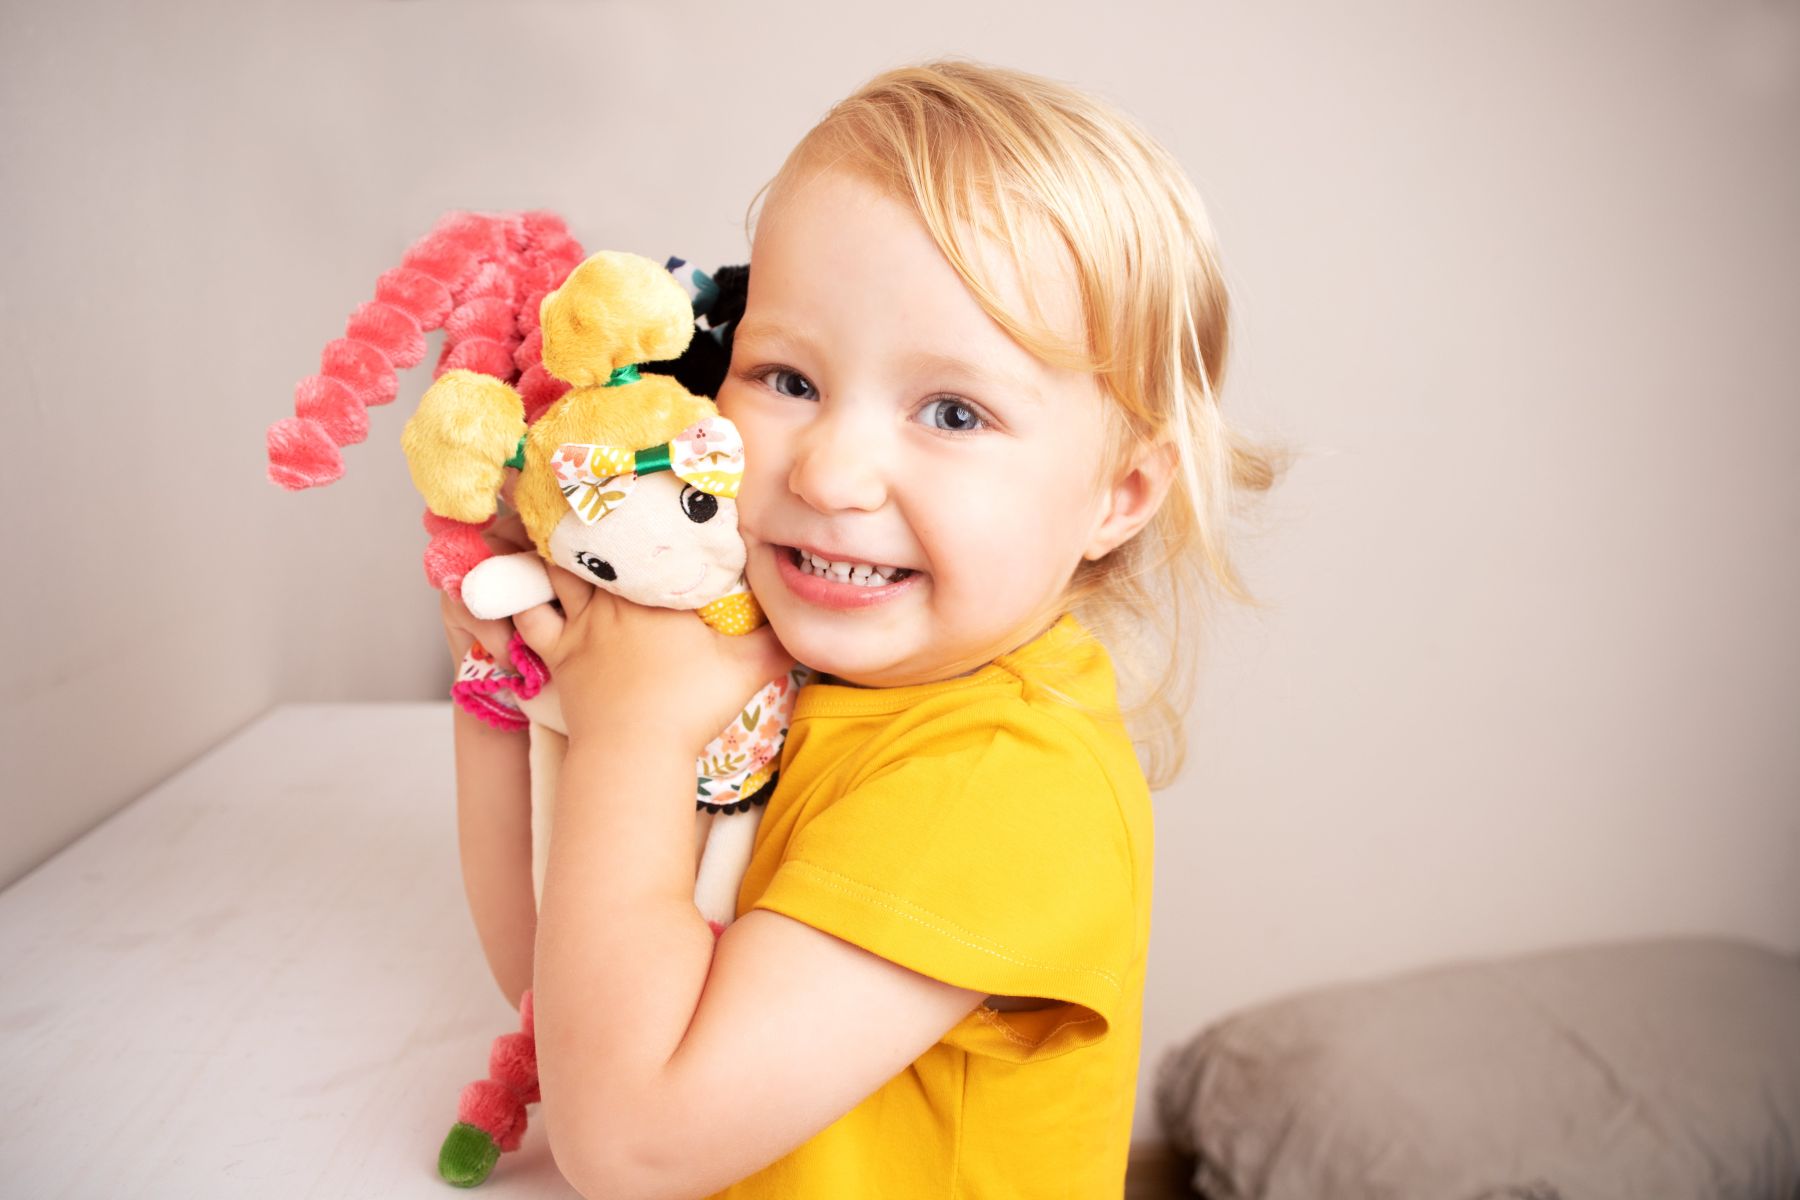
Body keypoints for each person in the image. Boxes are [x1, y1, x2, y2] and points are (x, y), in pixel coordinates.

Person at [442, 58, 1277, 1198]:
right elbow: (557, 989)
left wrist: (633, 734)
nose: (830, 474)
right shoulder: (781, 659)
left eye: (953, 412)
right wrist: (512, 669)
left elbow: (628, 1141)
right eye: (787, 378)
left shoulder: (1002, 782)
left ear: (1118, 495)